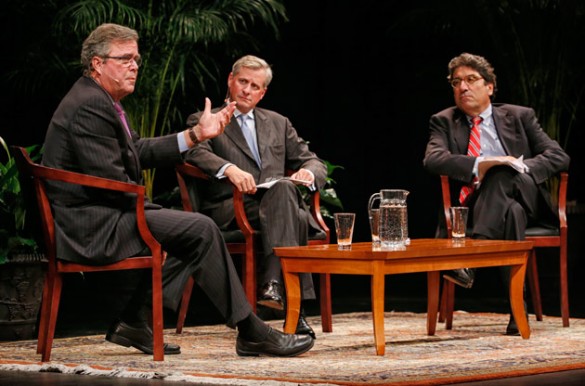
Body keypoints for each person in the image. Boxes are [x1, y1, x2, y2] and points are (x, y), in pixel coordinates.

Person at [41, 23, 314, 357]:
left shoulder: (99, 98)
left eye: (136, 59)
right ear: (98, 63)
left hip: (103, 209)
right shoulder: (90, 104)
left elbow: (136, 150)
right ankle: (251, 330)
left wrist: (196, 135)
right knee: (198, 227)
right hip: (91, 222)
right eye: (125, 59)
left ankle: (135, 320)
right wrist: (152, 209)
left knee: (189, 227)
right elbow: (112, 182)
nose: (135, 66)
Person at [423, 52, 570, 335]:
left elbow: (558, 156)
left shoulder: (519, 116)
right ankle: (518, 310)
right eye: (456, 82)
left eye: (470, 80)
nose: (462, 87)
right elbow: (433, 159)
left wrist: (519, 166)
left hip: (525, 194)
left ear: (489, 86)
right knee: (510, 212)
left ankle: (468, 260)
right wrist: (479, 165)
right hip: (477, 205)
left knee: (503, 174)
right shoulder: (443, 121)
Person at [183, 55, 328, 339]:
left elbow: (312, 161)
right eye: (243, 82)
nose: (247, 90)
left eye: (254, 86)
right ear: (230, 80)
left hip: (276, 207)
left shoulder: (278, 122)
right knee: (295, 213)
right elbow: (194, 152)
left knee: (284, 190)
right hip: (233, 207)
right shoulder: (206, 119)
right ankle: (296, 311)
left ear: (263, 92)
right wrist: (229, 169)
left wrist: (308, 175)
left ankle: (274, 285)